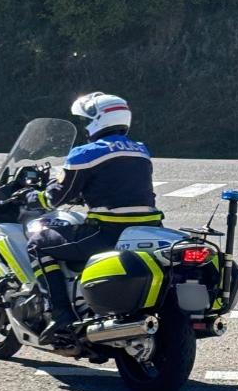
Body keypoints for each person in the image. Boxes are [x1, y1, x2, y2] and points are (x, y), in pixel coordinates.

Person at [19, 92, 161, 345]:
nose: (85, 127)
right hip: (147, 229)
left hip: (106, 232)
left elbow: (58, 197)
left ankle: (60, 313)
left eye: (86, 121)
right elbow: (117, 186)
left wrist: (33, 197)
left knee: (39, 244)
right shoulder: (140, 150)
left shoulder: (86, 153)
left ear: (98, 120)